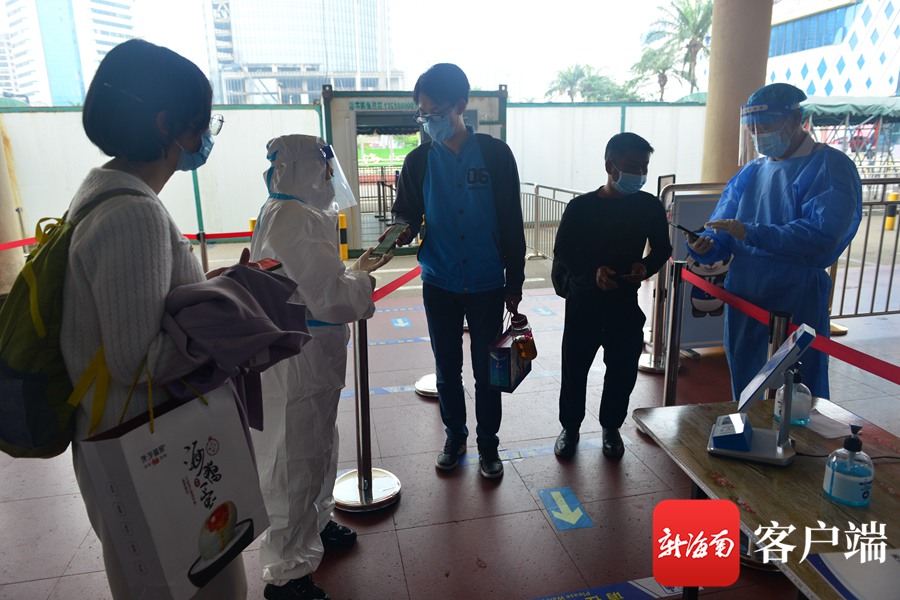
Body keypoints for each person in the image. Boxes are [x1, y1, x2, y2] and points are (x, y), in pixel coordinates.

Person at [61, 40, 246, 598]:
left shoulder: (101, 192)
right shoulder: (134, 214)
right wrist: (231, 323)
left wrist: (208, 291)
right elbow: (137, 360)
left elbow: (139, 311)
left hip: (122, 442)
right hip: (150, 450)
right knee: (199, 585)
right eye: (202, 123)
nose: (205, 137)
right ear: (167, 125)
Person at [250, 135, 392, 600]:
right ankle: (286, 574)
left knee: (317, 448)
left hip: (310, 356)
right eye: (326, 169)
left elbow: (317, 279)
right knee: (293, 460)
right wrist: (363, 280)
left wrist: (354, 271)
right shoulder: (292, 217)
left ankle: (315, 525)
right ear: (304, 169)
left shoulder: (293, 212)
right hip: (300, 359)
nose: (331, 179)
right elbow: (329, 298)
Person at [390, 63, 526, 479]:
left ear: (460, 106)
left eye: (434, 112)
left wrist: (515, 282)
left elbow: (512, 222)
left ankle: (488, 444)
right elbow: (405, 212)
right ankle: (455, 436)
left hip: (487, 283)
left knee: (488, 371)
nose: (428, 121)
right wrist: (402, 230)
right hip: (439, 282)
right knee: (447, 370)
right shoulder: (417, 161)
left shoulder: (496, 156)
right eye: (422, 114)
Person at [687, 83, 862, 400]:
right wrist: (706, 245)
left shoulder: (830, 166)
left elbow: (823, 234)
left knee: (796, 387)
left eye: (766, 126)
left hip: (795, 292)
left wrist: (752, 233)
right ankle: (748, 425)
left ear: (795, 120)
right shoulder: (753, 171)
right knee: (746, 381)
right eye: (753, 129)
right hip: (746, 291)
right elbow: (723, 225)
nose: (759, 135)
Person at [552, 132, 671, 460]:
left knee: (622, 371)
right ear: (610, 166)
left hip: (624, 305)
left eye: (644, 166)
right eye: (633, 165)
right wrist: (592, 272)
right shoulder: (581, 207)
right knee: (574, 370)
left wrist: (645, 267)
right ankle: (570, 428)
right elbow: (563, 250)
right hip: (584, 303)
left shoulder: (649, 206)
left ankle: (611, 428)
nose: (640, 173)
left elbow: (662, 248)